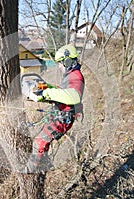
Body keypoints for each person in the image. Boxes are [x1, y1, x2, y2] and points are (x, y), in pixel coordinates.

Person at [26, 44, 85, 173]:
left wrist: (47, 93)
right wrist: (47, 88)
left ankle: (29, 171)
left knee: (40, 141)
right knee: (42, 138)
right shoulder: (71, 75)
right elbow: (63, 92)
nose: (59, 66)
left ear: (67, 61)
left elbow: (74, 96)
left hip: (63, 118)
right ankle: (46, 164)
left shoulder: (76, 76)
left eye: (60, 63)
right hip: (60, 115)